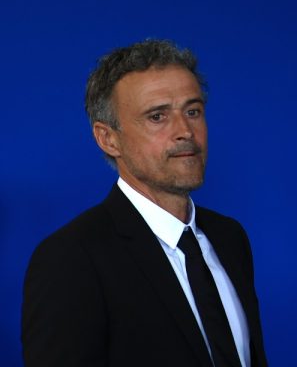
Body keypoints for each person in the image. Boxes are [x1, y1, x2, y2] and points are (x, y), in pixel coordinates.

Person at [22, 40, 268, 367]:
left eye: (193, 111)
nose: (185, 131)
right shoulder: (71, 259)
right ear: (108, 138)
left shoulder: (229, 238)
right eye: (157, 116)